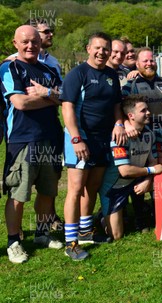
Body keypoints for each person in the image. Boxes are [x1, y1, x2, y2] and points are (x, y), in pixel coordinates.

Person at [1, 25, 64, 264]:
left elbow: (65, 97)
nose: (30, 46)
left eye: (35, 42)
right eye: (25, 42)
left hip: (51, 137)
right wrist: (50, 97)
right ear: (15, 43)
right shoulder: (9, 67)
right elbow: (21, 103)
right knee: (19, 193)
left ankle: (42, 233)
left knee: (48, 190)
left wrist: (47, 93)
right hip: (23, 138)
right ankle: (13, 241)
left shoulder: (48, 69)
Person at [61, 32, 126, 260]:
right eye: (97, 48)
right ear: (88, 48)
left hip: (103, 140)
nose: (102, 52)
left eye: (106, 48)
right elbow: (67, 108)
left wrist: (119, 123)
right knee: (76, 188)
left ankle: (87, 231)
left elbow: (117, 105)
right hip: (81, 139)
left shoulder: (111, 75)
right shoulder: (77, 73)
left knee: (93, 186)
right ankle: (70, 242)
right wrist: (76, 139)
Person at [99, 95, 162, 240]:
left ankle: (147, 217)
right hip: (114, 186)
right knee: (116, 235)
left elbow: (153, 161)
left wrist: (148, 180)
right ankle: (101, 216)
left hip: (135, 181)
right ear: (130, 116)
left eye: (147, 109)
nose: (148, 113)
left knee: (160, 183)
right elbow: (125, 170)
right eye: (143, 110)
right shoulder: (120, 136)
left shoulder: (149, 133)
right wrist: (150, 171)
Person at [122, 47, 162, 132]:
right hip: (142, 134)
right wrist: (126, 124)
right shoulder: (130, 86)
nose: (149, 63)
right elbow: (121, 110)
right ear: (137, 64)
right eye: (145, 61)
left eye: (152, 60)